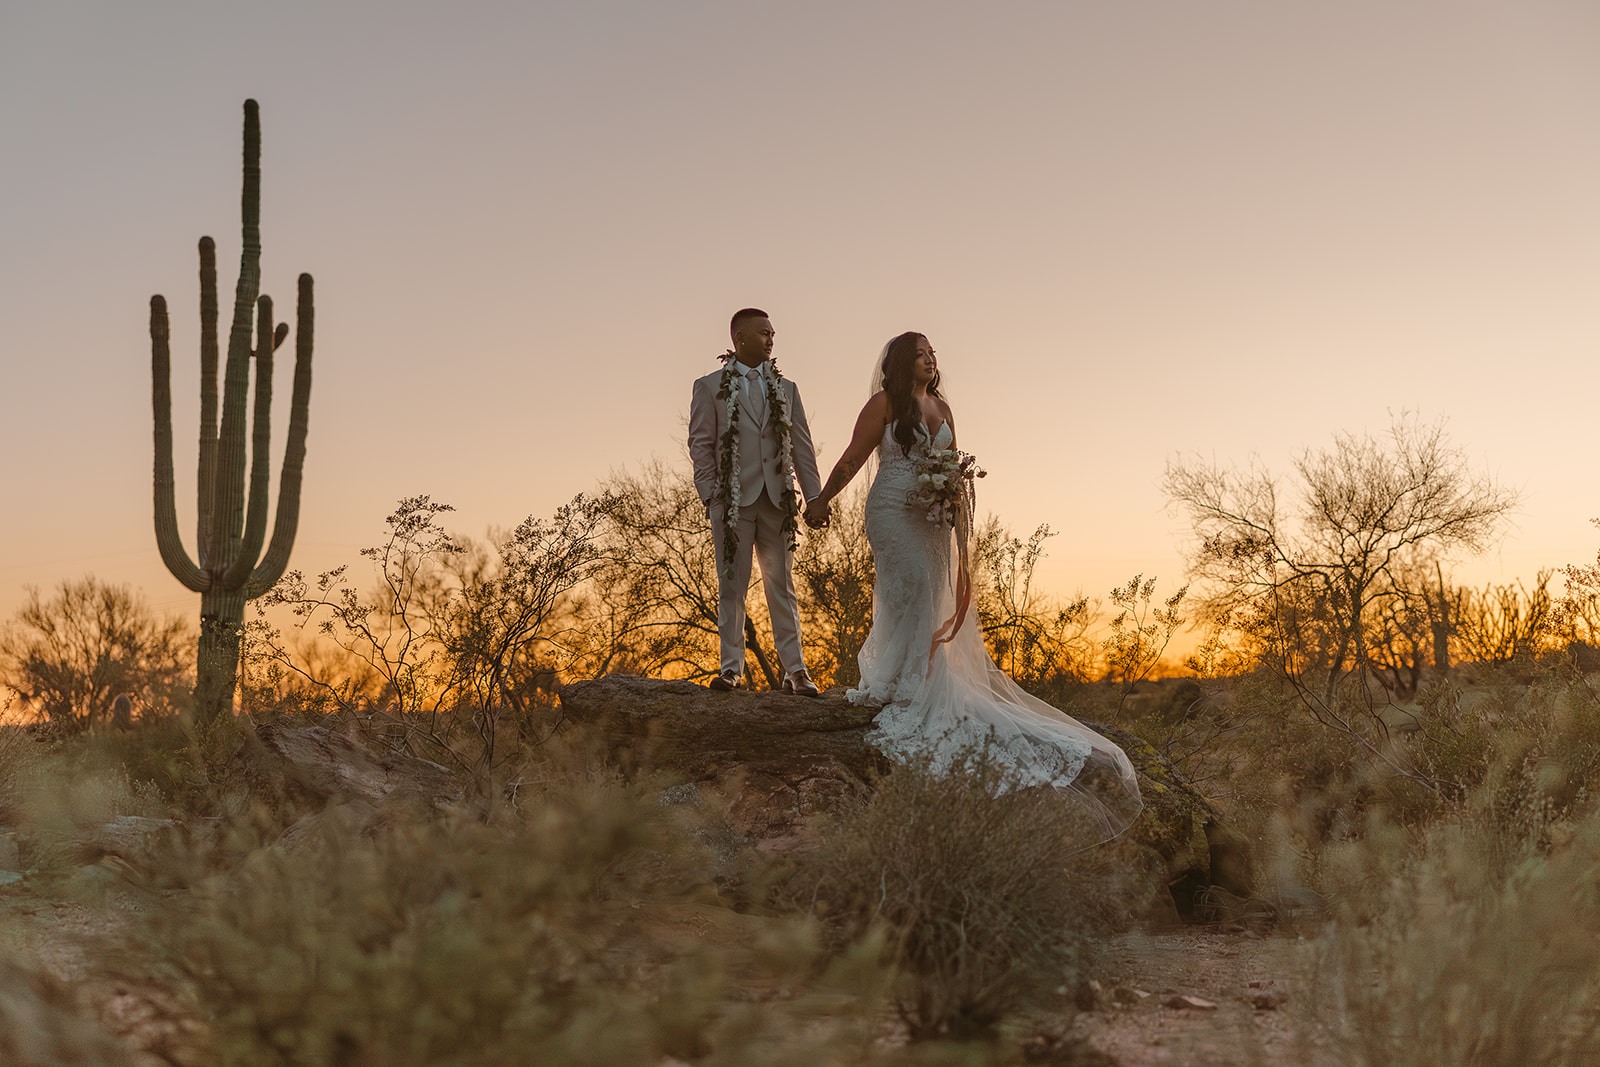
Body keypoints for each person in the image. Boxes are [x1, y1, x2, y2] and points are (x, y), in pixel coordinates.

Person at [805, 332, 1143, 840]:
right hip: (893, 510)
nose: (931, 358)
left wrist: (952, 502)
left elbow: (953, 467)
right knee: (910, 588)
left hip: (933, 517)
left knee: (932, 592)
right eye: (921, 352)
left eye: (932, 352)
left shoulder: (942, 407)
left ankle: (916, 677)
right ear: (902, 362)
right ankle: (898, 682)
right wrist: (823, 499)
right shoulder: (883, 404)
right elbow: (854, 456)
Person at [688, 308, 825, 695]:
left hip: (777, 501)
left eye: (773, 333)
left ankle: (795, 670)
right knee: (731, 585)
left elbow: (803, 448)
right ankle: (731, 668)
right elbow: (701, 444)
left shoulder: (788, 389)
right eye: (764, 333)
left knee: (781, 584)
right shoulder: (709, 385)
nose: (771, 339)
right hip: (731, 503)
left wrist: (813, 496)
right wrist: (711, 494)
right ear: (739, 337)